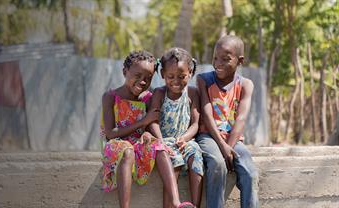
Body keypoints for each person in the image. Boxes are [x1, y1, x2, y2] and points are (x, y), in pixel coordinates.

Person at [101, 50, 193, 208]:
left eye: (148, 78)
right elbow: (110, 134)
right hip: (116, 145)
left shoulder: (147, 98)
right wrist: (143, 122)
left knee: (160, 147)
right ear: (125, 71)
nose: (142, 82)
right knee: (127, 151)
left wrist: (150, 135)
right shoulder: (111, 97)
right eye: (137, 76)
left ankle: (176, 203)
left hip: (137, 143)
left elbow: (150, 126)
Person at [196, 35, 259, 208]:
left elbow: (241, 118)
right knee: (217, 164)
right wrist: (223, 148)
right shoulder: (204, 80)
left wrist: (229, 147)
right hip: (208, 136)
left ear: (240, 61)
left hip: (233, 139)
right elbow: (207, 115)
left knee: (250, 173)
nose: (218, 63)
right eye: (215, 58)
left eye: (226, 59)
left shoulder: (246, 84)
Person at [148, 47, 204, 208]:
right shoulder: (159, 93)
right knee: (176, 162)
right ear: (162, 74)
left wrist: (185, 138)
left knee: (196, 157)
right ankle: (172, 205)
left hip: (184, 140)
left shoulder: (192, 93)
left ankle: (194, 205)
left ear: (190, 73)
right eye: (170, 76)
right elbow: (153, 121)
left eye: (182, 76)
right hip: (164, 140)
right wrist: (161, 142)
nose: (176, 81)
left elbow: (195, 123)